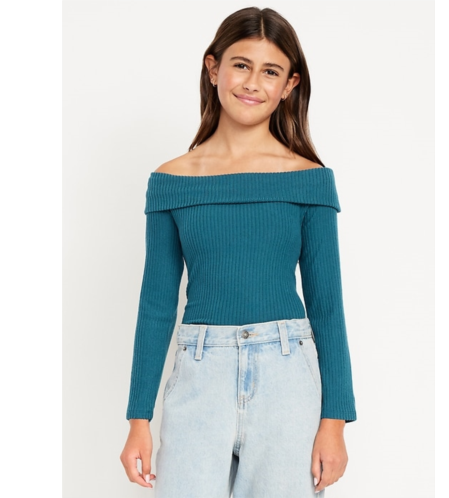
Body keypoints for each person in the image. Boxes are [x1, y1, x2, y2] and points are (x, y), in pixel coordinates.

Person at [120, 7, 356, 497]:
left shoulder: (308, 179)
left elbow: (327, 307)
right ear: (213, 68)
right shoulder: (171, 180)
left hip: (287, 381)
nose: (252, 83)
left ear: (289, 85)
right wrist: (138, 418)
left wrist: (334, 421)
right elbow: (157, 304)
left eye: (270, 71)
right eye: (241, 65)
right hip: (198, 375)